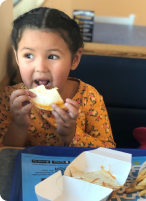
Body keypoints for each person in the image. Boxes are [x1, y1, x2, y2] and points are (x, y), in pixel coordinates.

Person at [0, 7, 116, 148]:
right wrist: (19, 125)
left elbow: (109, 151)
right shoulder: (9, 98)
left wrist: (71, 134)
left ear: (74, 59)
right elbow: (4, 157)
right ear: (17, 57)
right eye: (28, 56)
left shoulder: (89, 98)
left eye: (52, 56)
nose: (40, 68)